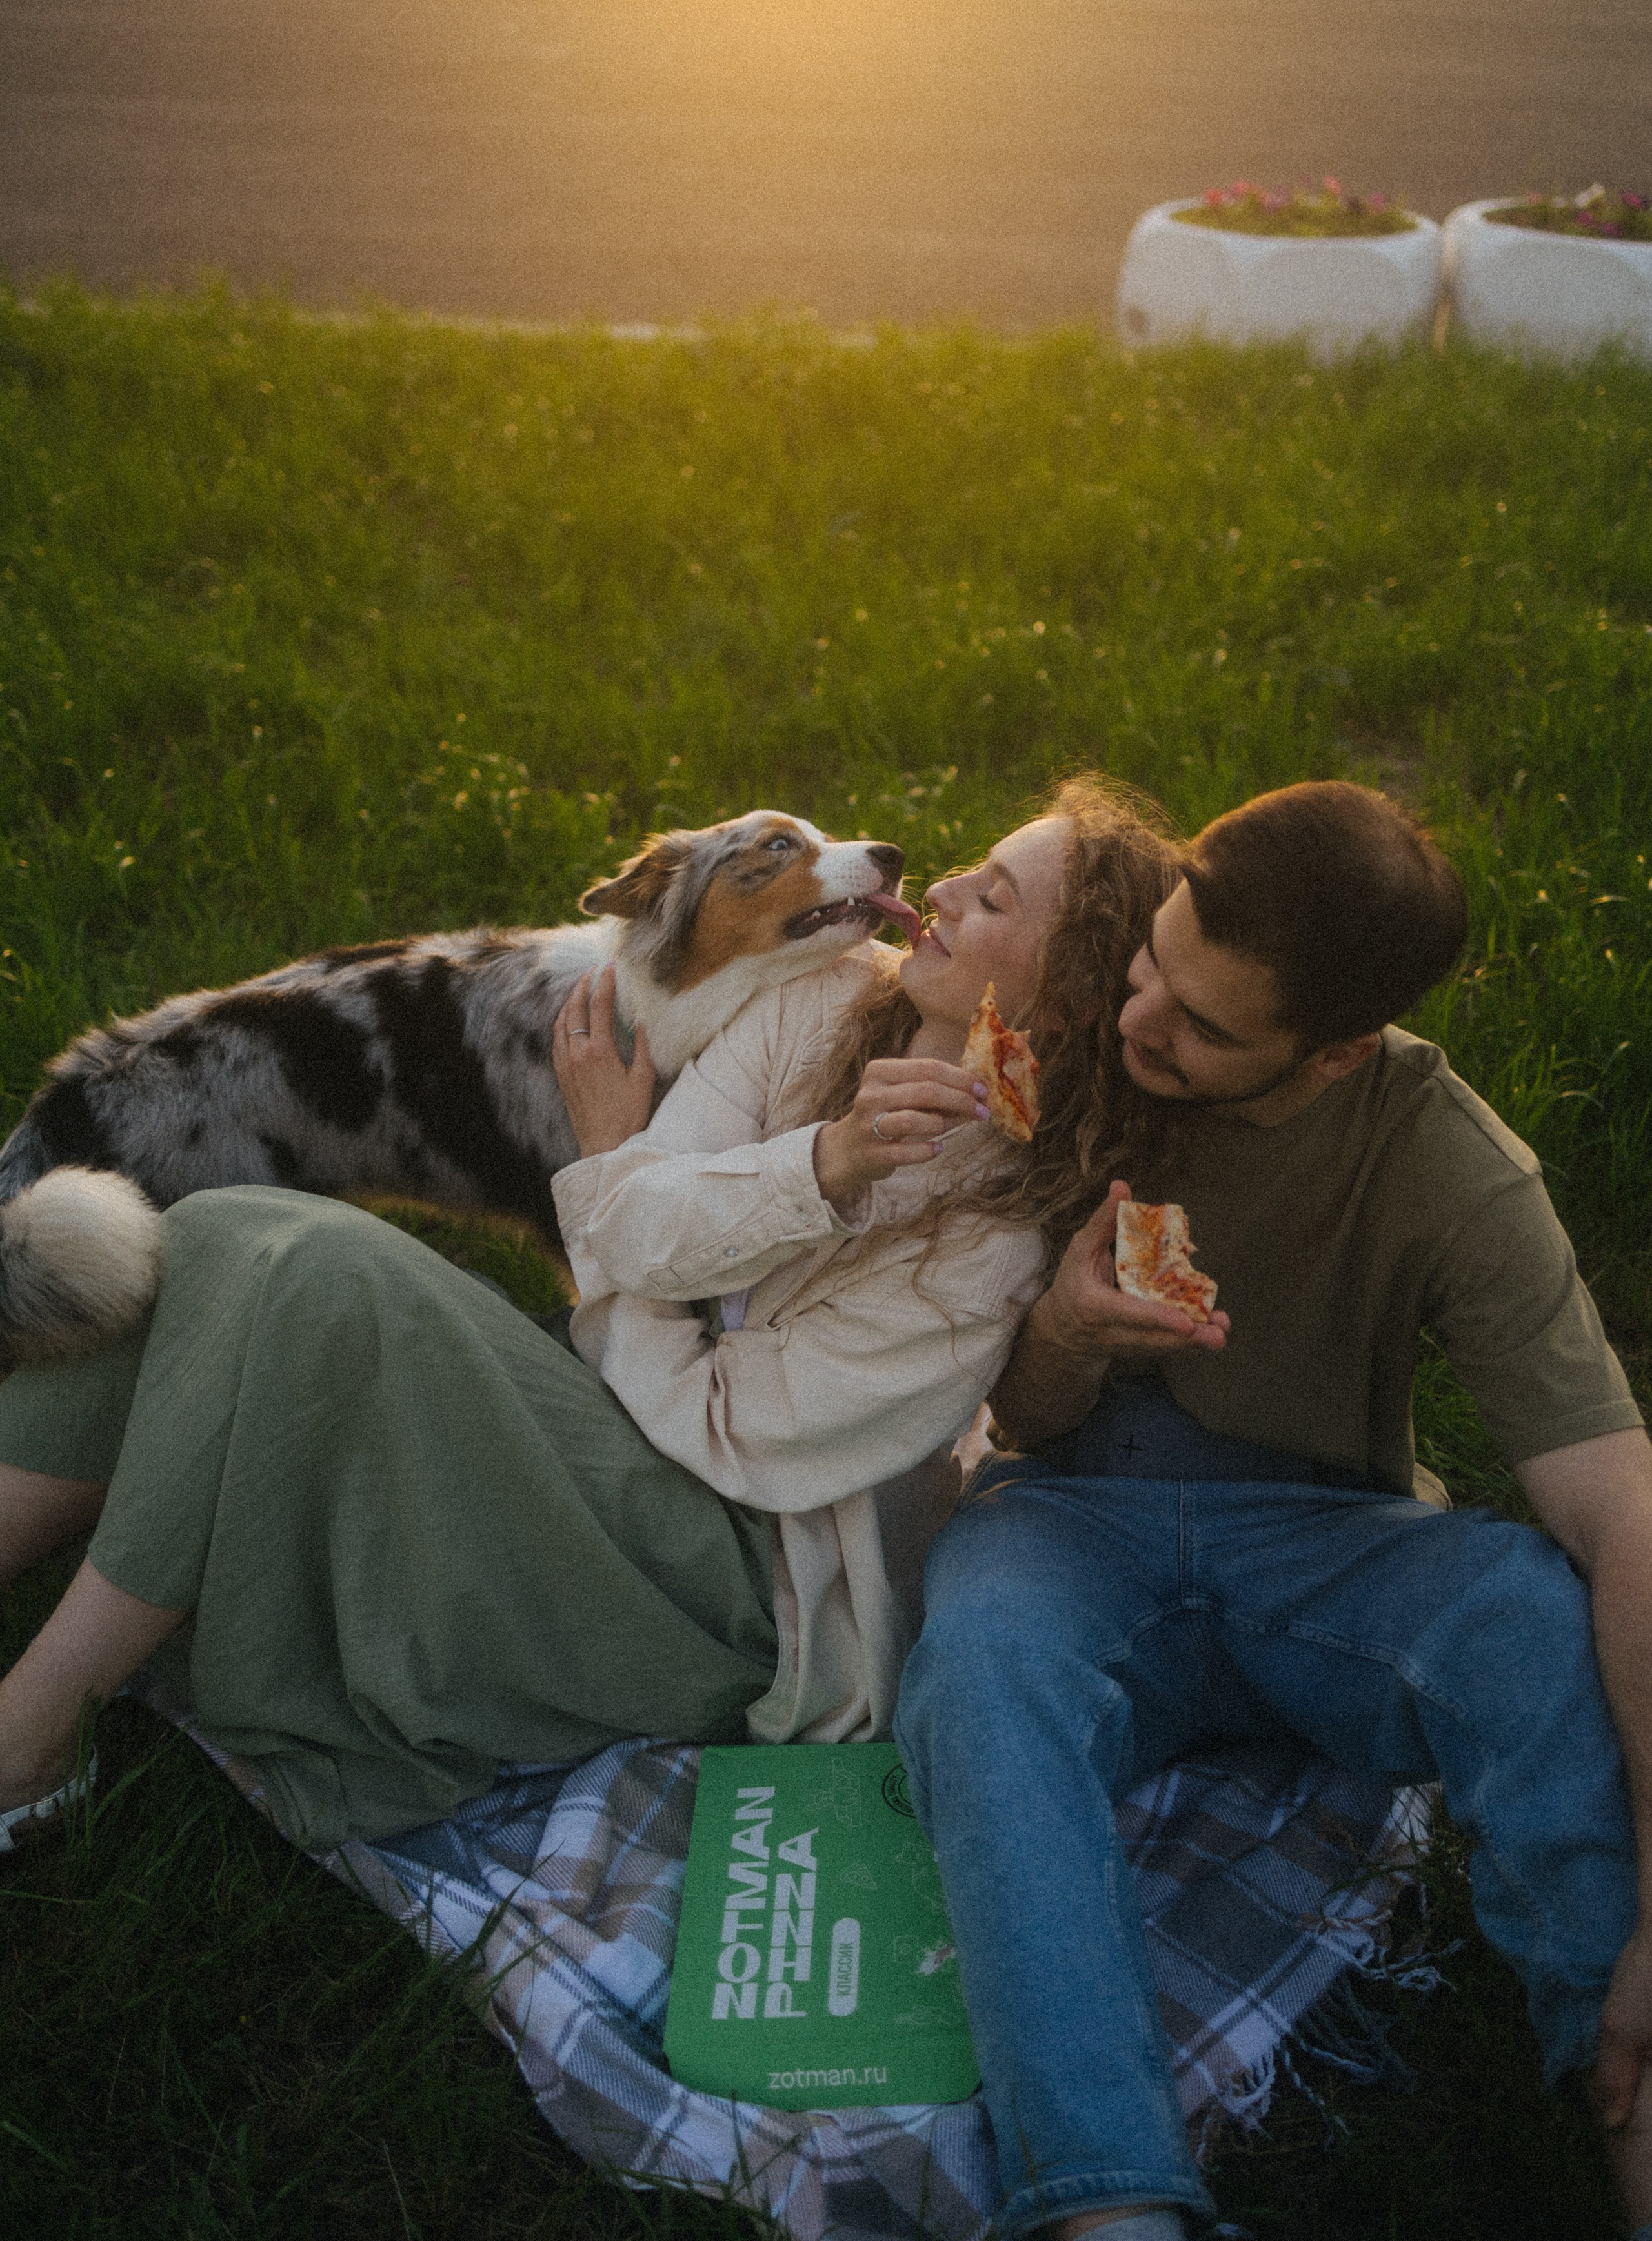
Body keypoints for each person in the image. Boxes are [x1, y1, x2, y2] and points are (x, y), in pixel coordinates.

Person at [0, 779, 1176, 1856]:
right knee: (209, 1236)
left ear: (1066, 1005)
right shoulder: (821, 1004)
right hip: (635, 1418)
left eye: (997, 896)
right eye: (976, 865)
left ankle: (29, 1744)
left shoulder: (989, 1242)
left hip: (725, 1576)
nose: (949, 881)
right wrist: (794, 1165)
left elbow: (726, 1426)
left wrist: (660, 1177)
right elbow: (629, 1224)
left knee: (314, 1276)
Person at [895, 779, 1652, 2241]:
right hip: (1066, 1521)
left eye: (1200, 1025)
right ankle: (1106, 2203)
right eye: (1147, 967)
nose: (1136, 1025)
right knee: (981, 1656)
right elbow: (1024, 1419)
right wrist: (1055, 1334)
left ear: (1333, 1052)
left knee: (1521, 1617)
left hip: (1327, 1546)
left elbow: (1621, 1512)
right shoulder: (1074, 1043)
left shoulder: (1439, 1158)